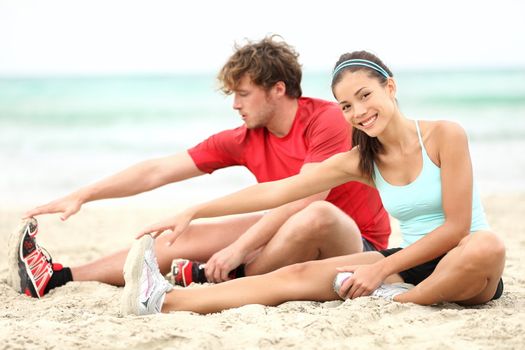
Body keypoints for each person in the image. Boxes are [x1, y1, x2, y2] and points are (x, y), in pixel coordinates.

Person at [119, 50, 506, 316]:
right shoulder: (362, 160)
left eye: (365, 95)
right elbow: (278, 191)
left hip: (468, 267)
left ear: (391, 87)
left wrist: (376, 272)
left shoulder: (445, 136)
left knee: (486, 244)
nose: (359, 112)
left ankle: (404, 302)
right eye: (347, 106)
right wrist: (196, 209)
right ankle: (162, 301)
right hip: (410, 263)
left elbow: (456, 228)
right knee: (293, 277)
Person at [11, 36, 390, 299]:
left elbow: (308, 197)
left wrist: (238, 249)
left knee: (316, 214)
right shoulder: (246, 137)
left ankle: (216, 273)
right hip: (291, 240)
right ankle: (57, 277)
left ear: (277, 89)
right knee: (183, 237)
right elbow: (157, 171)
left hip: (357, 244)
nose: (235, 105)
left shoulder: (326, 120)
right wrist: (83, 195)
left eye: (243, 94)